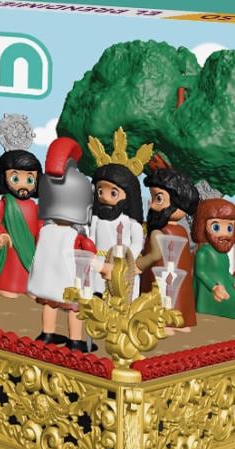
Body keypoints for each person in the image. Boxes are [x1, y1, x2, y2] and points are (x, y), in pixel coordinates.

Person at [26, 137, 105, 351]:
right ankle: (75, 340)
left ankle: (47, 334)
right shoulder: (77, 237)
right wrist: (104, 268)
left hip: (47, 283)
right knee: (74, 308)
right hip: (71, 285)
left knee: (50, 304)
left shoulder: (44, 231)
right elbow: (90, 258)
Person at [136, 165, 198, 329]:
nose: (152, 206)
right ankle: (180, 320)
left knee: (168, 292)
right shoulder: (181, 232)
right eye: (153, 198)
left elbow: (155, 255)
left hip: (162, 281)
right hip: (167, 280)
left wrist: (138, 265)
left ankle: (165, 320)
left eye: (159, 199)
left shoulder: (161, 232)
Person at [190, 197, 235, 319]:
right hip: (209, 292)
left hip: (225, 287)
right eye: (216, 227)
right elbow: (200, 273)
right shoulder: (203, 253)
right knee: (233, 302)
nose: (224, 234)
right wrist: (214, 287)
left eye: (229, 228)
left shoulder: (222, 254)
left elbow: (225, 273)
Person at [0, 149, 42, 298]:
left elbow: (38, 225)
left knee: (29, 266)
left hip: (30, 245)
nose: (23, 185)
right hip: (10, 244)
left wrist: (41, 238)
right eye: (15, 178)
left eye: (29, 180)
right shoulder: (2, 203)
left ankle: (28, 286)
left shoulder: (35, 206)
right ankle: (6, 285)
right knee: (11, 265)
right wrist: (2, 234)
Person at [89, 163, 144, 294]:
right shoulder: (96, 219)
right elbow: (92, 239)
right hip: (99, 262)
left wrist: (126, 259)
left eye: (113, 193)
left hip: (121, 264)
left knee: (119, 293)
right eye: (100, 192)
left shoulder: (130, 222)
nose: (105, 197)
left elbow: (137, 243)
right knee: (97, 292)